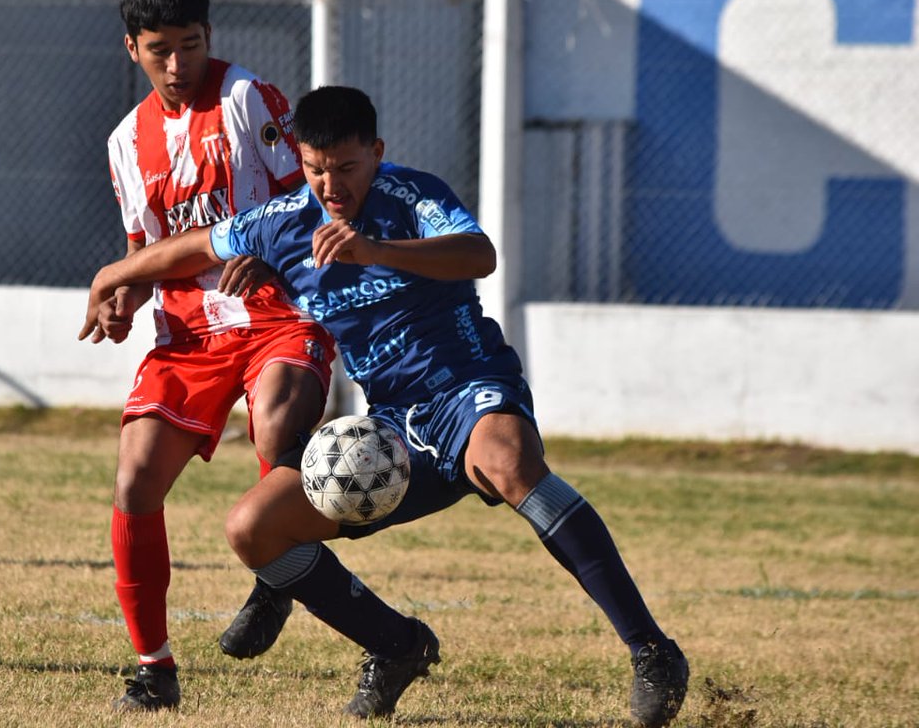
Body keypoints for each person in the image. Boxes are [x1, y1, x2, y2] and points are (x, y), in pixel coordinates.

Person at [80, 85, 690, 726]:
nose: (331, 185)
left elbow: (478, 256)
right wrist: (113, 276)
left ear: (376, 152)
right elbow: (200, 244)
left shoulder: (412, 195)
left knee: (508, 460)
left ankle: (651, 650)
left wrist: (375, 251)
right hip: (396, 421)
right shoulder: (283, 221)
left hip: (467, 387)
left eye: (346, 167)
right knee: (252, 528)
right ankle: (395, 646)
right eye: (316, 169)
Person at [87, 0, 335, 711]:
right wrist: (123, 297)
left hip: (275, 311)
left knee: (278, 415)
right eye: (159, 48)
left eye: (190, 45)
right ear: (132, 46)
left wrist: (262, 248)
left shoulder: (245, 97)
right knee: (133, 480)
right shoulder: (125, 142)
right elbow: (145, 252)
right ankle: (155, 670)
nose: (176, 63)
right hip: (189, 332)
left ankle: (275, 571)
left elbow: (313, 197)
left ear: (208, 37)